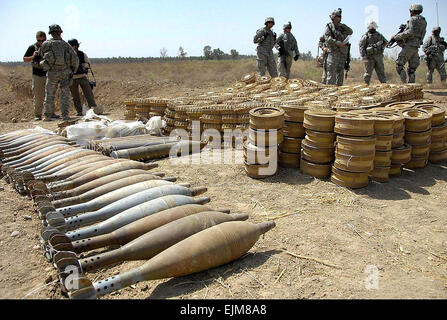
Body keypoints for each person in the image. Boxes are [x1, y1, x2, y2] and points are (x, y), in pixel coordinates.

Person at [38, 24, 79, 121]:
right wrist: (74, 70)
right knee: (65, 94)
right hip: (65, 72)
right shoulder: (66, 45)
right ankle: (65, 115)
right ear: (60, 32)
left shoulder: (46, 44)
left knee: (50, 94)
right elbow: (75, 59)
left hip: (52, 72)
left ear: (51, 33)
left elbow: (40, 54)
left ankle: (48, 115)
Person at [391, 4, 427, 83]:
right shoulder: (424, 21)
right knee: (412, 69)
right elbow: (423, 33)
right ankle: (412, 88)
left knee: (399, 65)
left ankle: (405, 85)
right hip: (416, 47)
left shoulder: (412, 19)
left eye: (410, 11)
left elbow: (410, 32)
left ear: (413, 10)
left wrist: (396, 37)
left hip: (409, 46)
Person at [67, 39, 100, 116]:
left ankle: (93, 109)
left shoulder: (81, 54)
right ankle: (79, 111)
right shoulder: (67, 55)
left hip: (82, 77)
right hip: (72, 78)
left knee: (88, 94)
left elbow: (87, 64)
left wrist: (81, 66)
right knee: (75, 96)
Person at [23, 31, 49, 120]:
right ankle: (38, 115)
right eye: (39, 40)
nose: (41, 42)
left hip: (48, 73)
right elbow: (25, 59)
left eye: (43, 40)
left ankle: (49, 113)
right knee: (38, 95)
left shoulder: (49, 46)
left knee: (49, 95)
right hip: (37, 74)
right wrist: (33, 57)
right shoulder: (32, 47)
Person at [323, 8, 353, 86]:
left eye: (340, 17)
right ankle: (329, 93)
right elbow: (328, 38)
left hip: (342, 53)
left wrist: (342, 25)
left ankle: (339, 92)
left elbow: (351, 32)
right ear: (333, 18)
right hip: (333, 52)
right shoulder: (329, 27)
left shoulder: (342, 27)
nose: (339, 18)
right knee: (331, 74)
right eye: (338, 17)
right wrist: (337, 43)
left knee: (340, 73)